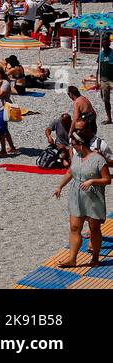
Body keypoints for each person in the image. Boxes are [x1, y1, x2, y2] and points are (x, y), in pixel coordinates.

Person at [53, 130, 111, 267]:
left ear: (80, 144)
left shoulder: (98, 159)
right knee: (74, 227)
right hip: (76, 195)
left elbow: (107, 180)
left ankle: (95, 258)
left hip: (93, 198)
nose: (71, 147)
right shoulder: (76, 157)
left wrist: (92, 181)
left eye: (73, 144)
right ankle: (72, 259)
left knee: (94, 228)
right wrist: (60, 186)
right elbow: (70, 172)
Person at [99, 36, 113, 124]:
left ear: (109, 43)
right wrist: (97, 80)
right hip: (104, 79)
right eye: (102, 43)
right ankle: (109, 118)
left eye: (106, 43)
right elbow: (98, 67)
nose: (104, 44)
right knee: (106, 100)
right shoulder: (100, 53)